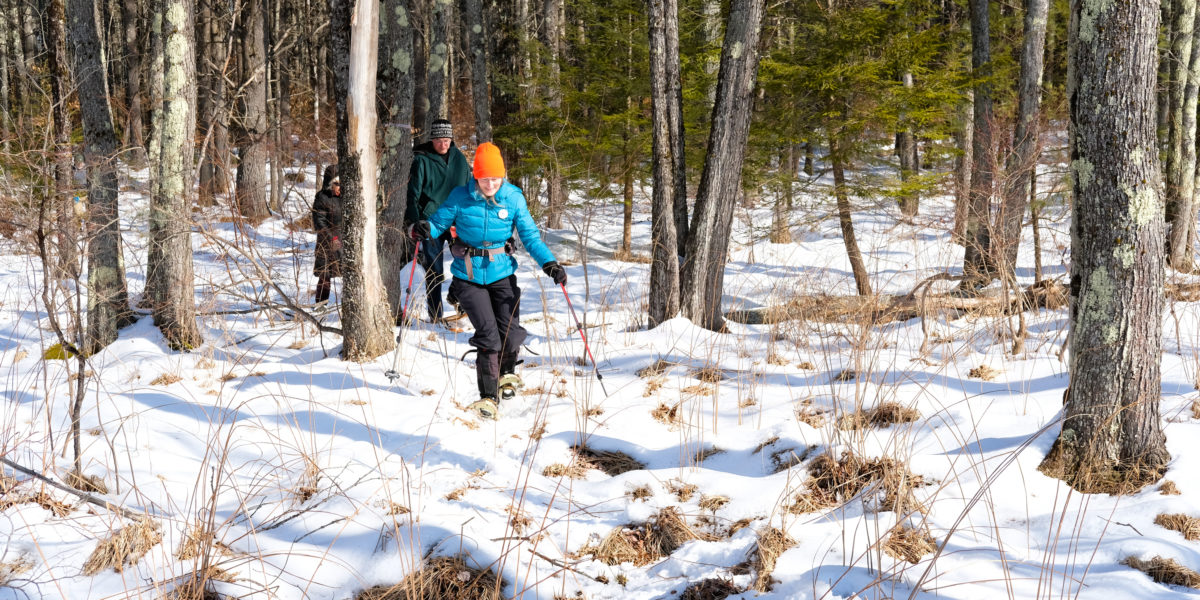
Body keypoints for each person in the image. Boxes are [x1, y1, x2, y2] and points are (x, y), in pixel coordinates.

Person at [410, 142, 568, 419]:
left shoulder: (514, 198)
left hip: (502, 273)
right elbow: (438, 223)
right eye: (485, 178)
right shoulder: (460, 196)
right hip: (468, 276)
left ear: (503, 176)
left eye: (495, 178)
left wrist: (549, 264)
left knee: (510, 330)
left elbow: (530, 237)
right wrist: (425, 228)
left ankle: (507, 373)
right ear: (476, 177)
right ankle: (488, 397)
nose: (490, 184)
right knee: (488, 335)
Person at [405, 118, 471, 324]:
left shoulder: (459, 159)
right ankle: (435, 314)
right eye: (439, 140)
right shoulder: (421, 160)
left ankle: (458, 298)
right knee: (435, 269)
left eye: (447, 140)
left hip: (456, 221)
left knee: (467, 260)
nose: (443, 144)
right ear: (432, 140)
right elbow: (412, 195)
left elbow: (469, 189)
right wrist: (415, 222)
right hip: (431, 222)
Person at [312, 164, 343, 306]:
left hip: (343, 240)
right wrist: (333, 239)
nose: (340, 188)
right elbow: (319, 222)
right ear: (331, 183)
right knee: (325, 275)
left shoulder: (345, 198)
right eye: (337, 184)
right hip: (327, 242)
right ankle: (320, 305)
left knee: (349, 273)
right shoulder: (322, 198)